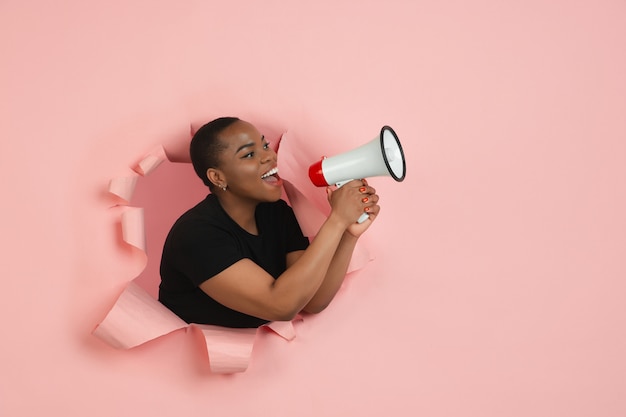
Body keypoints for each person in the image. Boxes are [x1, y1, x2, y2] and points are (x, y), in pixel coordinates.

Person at [158, 117, 380, 328]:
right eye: (248, 155)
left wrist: (349, 234)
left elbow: (312, 300)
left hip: (259, 362)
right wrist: (337, 219)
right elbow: (281, 306)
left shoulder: (276, 214)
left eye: (265, 146)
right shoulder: (196, 235)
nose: (268, 157)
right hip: (186, 360)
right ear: (218, 178)